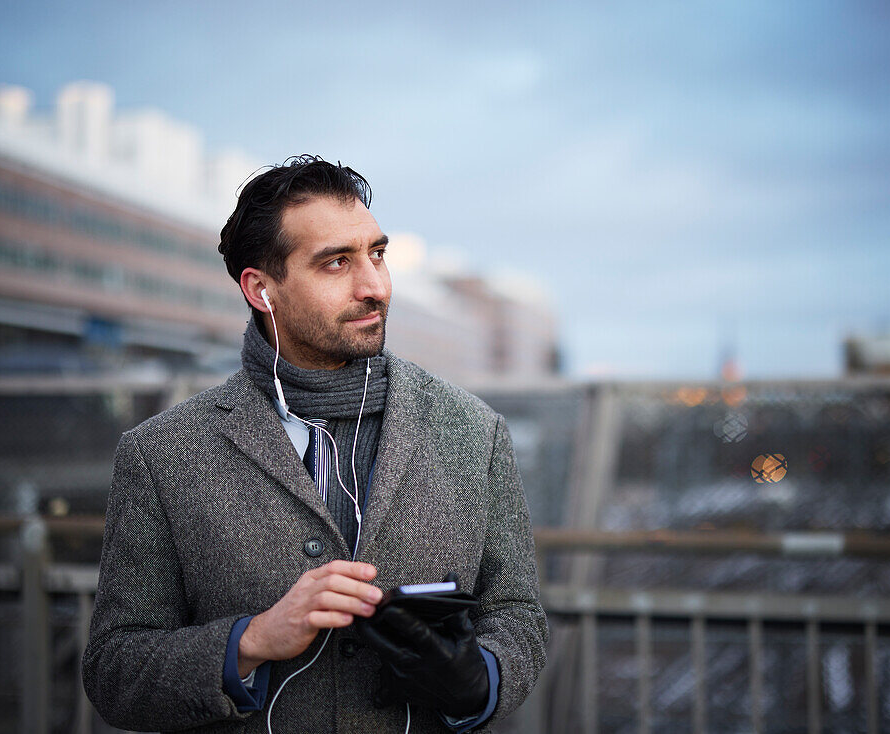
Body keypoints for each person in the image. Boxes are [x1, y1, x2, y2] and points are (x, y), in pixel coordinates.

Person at [81, 155, 548, 733]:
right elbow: (114, 670)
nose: (375, 286)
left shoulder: (472, 430)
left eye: (377, 254)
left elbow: (518, 614)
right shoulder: (161, 453)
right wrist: (250, 641)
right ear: (261, 289)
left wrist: (479, 678)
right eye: (336, 263)